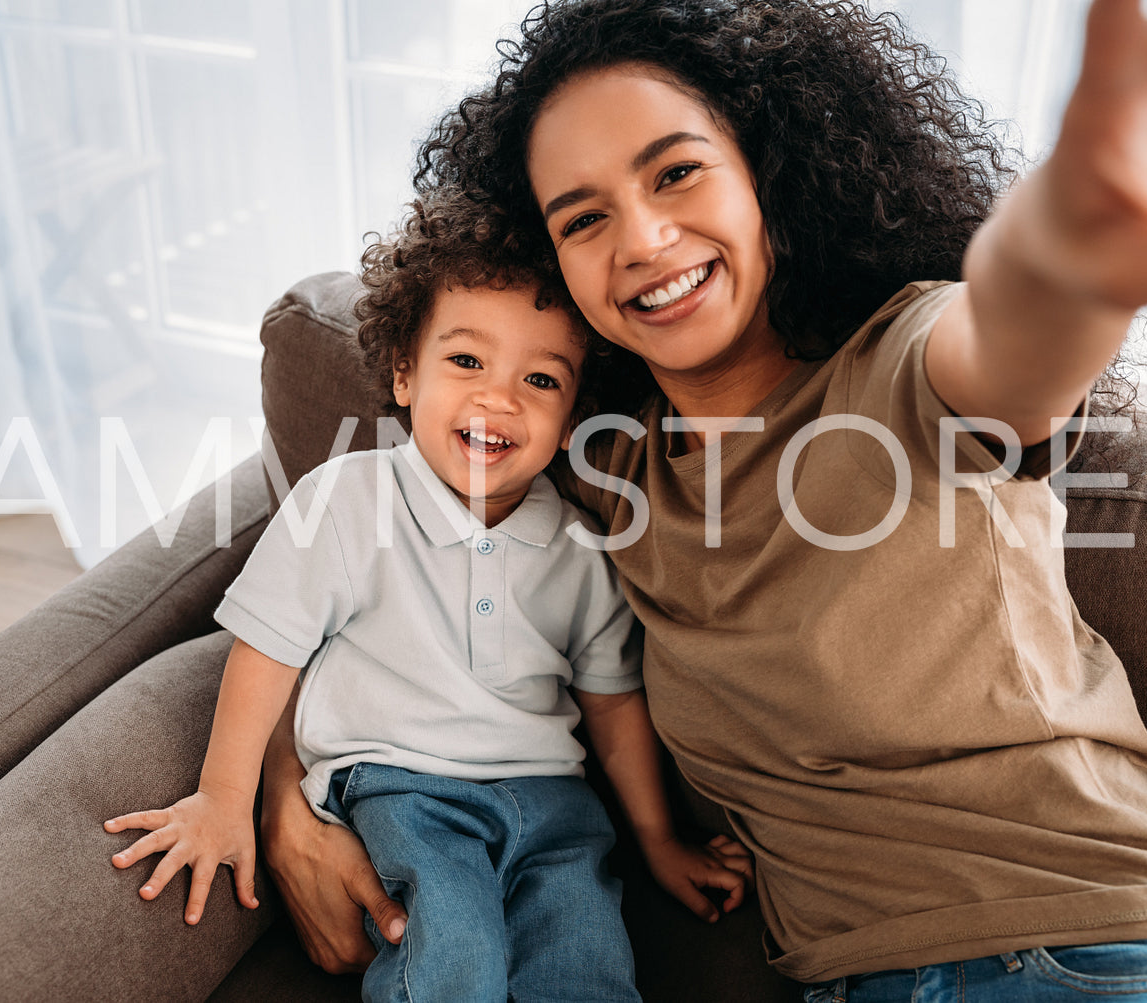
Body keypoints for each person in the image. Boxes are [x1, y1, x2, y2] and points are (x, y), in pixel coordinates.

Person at [257, 1, 1147, 1000]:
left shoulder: (900, 367)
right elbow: (326, 598)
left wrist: (1073, 250)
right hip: (853, 974)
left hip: (1105, 946)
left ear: (768, 171)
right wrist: (284, 807)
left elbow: (1006, 342)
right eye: (583, 220)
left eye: (675, 172)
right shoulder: (601, 466)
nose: (640, 240)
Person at [102, 189, 751, 1002]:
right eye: (466, 361)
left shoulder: (582, 544)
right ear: (406, 372)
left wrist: (657, 840)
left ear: (572, 413)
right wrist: (226, 799)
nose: (498, 397)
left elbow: (613, 704)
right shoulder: (346, 500)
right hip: (404, 790)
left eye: (540, 378)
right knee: (453, 960)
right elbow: (265, 651)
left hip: (558, 807)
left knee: (587, 966)